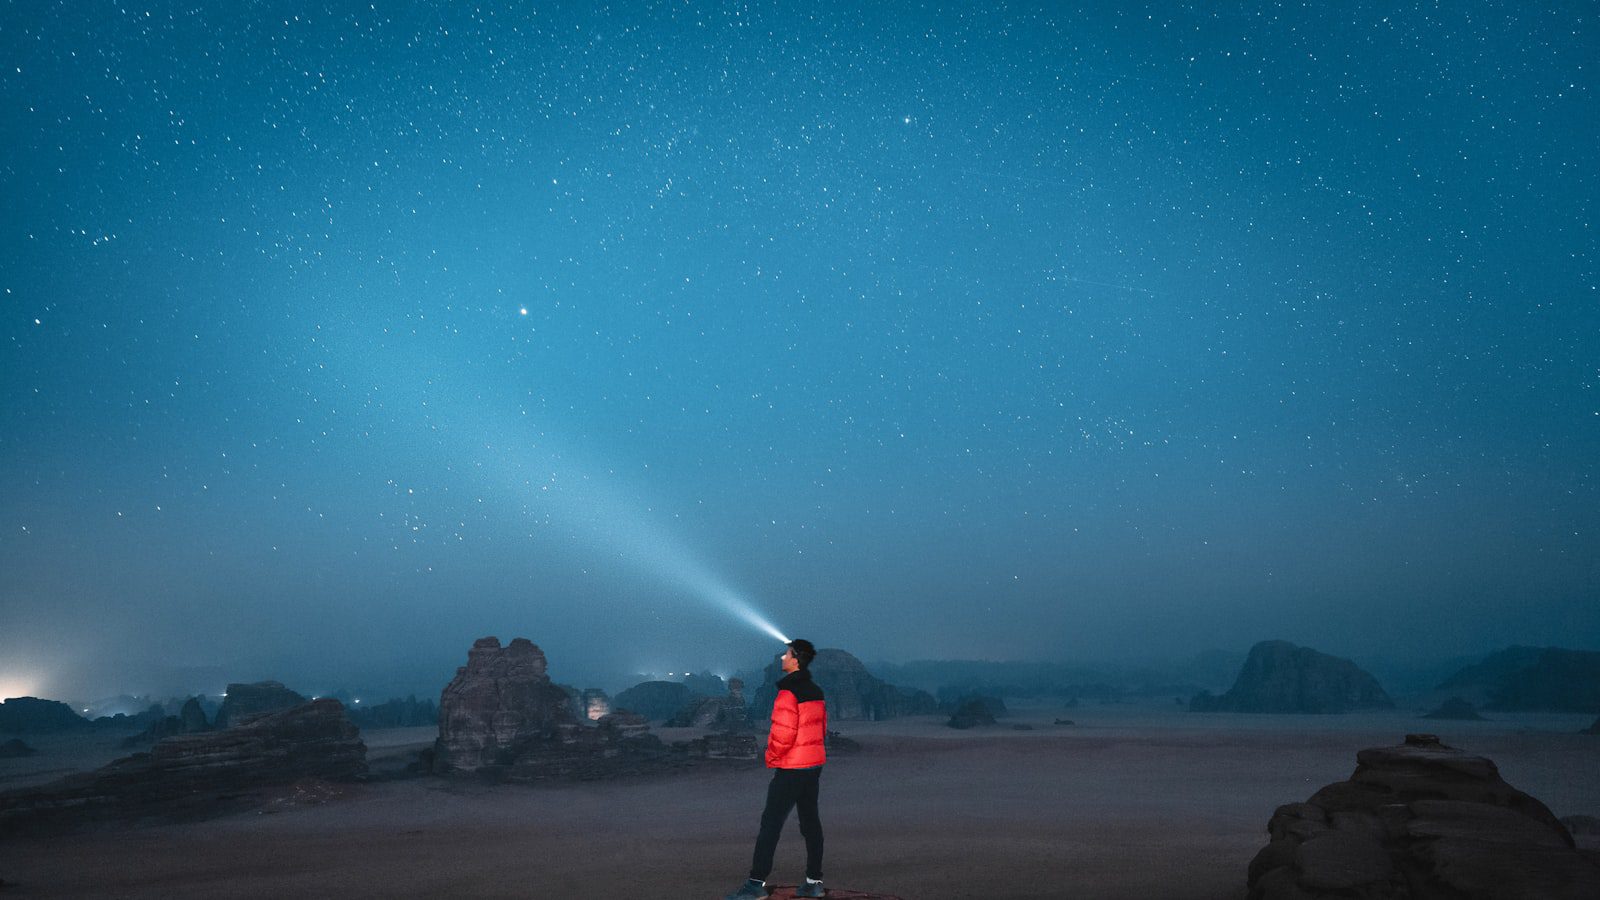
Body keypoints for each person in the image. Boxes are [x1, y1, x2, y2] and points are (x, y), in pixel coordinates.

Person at [724, 638, 827, 899]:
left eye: (786, 654)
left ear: (795, 660)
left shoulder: (787, 693)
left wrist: (771, 756)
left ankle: (754, 885)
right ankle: (814, 883)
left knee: (770, 824)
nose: (782, 658)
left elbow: (783, 736)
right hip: (813, 766)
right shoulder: (816, 691)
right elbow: (820, 730)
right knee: (810, 823)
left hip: (791, 768)